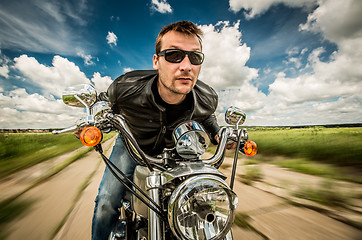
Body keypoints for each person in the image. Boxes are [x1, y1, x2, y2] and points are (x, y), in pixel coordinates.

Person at [92, 20, 223, 240]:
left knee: (202, 201)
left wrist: (219, 133)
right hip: (132, 144)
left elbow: (207, 114)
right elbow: (104, 101)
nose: (186, 66)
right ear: (156, 61)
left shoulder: (207, 97)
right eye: (173, 55)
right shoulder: (126, 87)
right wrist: (93, 122)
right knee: (106, 200)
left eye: (195, 57)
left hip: (176, 152)